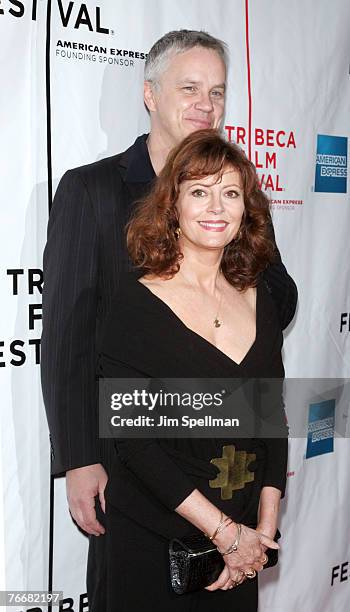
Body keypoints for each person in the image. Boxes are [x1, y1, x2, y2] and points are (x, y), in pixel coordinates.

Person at [41, 30, 297, 610]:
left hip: (226, 451)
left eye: (218, 92)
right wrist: (80, 458)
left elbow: (276, 301)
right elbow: (66, 339)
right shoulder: (93, 190)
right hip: (129, 453)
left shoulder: (233, 198)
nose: (205, 105)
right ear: (151, 94)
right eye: (189, 88)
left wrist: (219, 284)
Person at [97, 129, 292, 610]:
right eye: (199, 192)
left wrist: (262, 531)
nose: (216, 208)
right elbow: (134, 444)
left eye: (230, 193)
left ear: (246, 210)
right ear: (172, 205)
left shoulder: (260, 298)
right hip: (158, 543)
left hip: (244, 544)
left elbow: (270, 416)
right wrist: (223, 533)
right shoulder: (134, 303)